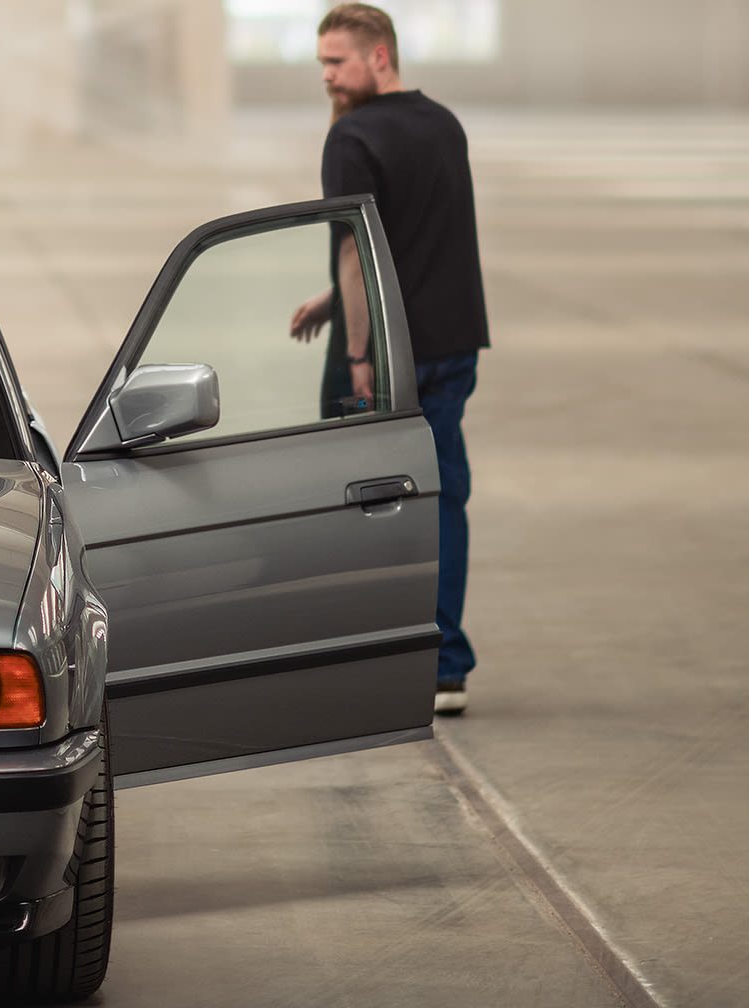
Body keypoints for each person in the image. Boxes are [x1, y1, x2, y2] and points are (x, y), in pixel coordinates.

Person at [288, 3, 488, 716]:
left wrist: (358, 352)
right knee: (442, 497)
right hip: (451, 344)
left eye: (337, 63)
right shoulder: (444, 125)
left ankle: (363, 654)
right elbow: (410, 238)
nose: (328, 78)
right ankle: (445, 666)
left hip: (383, 353)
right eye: (322, 64)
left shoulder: (352, 136)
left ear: (379, 57)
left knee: (360, 504)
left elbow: (355, 249)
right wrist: (330, 299)